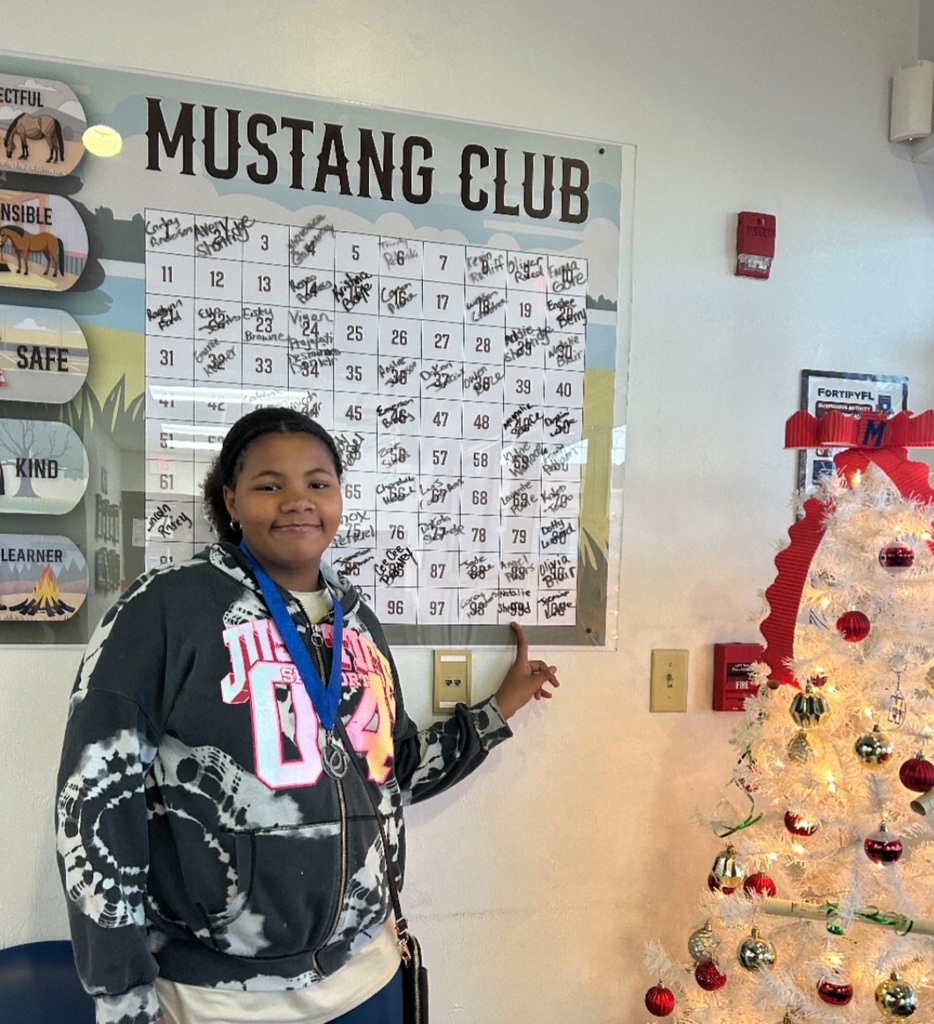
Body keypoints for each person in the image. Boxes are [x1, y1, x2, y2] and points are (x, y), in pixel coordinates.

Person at [56, 406, 559, 1024]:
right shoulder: (161, 609)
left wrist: (498, 709)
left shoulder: (357, 620)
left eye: (318, 483)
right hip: (217, 1000)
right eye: (270, 484)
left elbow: (393, 770)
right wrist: (124, 998)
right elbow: (95, 800)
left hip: (366, 975)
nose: (298, 500)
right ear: (231, 500)